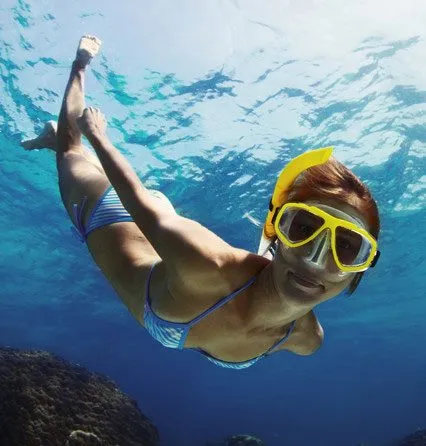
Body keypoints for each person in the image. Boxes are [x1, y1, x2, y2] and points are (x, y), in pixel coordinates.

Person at [22, 36, 381, 370]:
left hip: (172, 242)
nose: (316, 258)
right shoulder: (206, 265)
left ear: (359, 272)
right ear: (277, 233)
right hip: (114, 215)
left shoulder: (305, 340)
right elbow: (137, 201)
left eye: (347, 248)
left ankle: (59, 139)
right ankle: (79, 69)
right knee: (72, 151)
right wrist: (98, 138)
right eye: (303, 228)